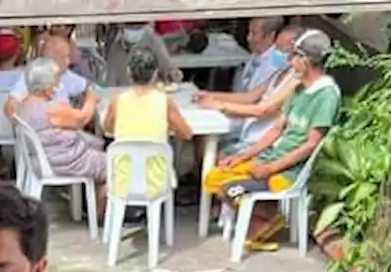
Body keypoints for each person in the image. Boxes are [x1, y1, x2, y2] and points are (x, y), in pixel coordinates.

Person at [202, 29, 340, 251]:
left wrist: (271, 168)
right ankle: (268, 218)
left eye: (293, 56)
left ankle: (263, 221)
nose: (289, 61)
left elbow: (311, 144)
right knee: (214, 178)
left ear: (305, 61)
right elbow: (276, 129)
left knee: (230, 189)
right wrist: (242, 157)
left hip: (288, 171)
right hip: (270, 158)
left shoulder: (326, 95)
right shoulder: (298, 88)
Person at [17, 59, 109, 208]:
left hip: (45, 159)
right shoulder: (50, 111)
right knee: (119, 165)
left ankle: (89, 207)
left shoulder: (24, 104)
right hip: (65, 161)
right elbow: (83, 118)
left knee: (97, 147)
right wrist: (91, 97)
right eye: (56, 80)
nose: (59, 84)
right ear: (46, 87)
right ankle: (103, 214)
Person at [103, 49, 193, 201]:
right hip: (155, 182)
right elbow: (187, 133)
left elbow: (107, 129)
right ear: (155, 74)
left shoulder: (117, 101)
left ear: (129, 73)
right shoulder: (165, 102)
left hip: (122, 181)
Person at [197, 24, 301, 150]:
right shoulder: (280, 72)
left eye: (283, 51)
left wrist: (220, 105)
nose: (277, 54)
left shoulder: (296, 80)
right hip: (250, 134)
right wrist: (208, 95)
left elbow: (264, 110)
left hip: (264, 143)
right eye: (277, 48)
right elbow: (250, 97)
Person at [6, 34, 95, 120]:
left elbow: (88, 86)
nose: (69, 62)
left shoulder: (65, 75)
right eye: (64, 57)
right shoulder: (32, 75)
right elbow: (11, 106)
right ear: (52, 58)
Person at [231, 17, 288, 95]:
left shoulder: (279, 61)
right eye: (248, 32)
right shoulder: (253, 57)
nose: (248, 38)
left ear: (271, 35)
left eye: (254, 33)